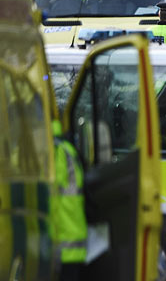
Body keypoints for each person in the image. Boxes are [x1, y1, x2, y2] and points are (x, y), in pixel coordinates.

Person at [51, 119, 88, 281]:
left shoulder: (53, 151)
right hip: (75, 237)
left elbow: (51, 196)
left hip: (61, 242)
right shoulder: (68, 149)